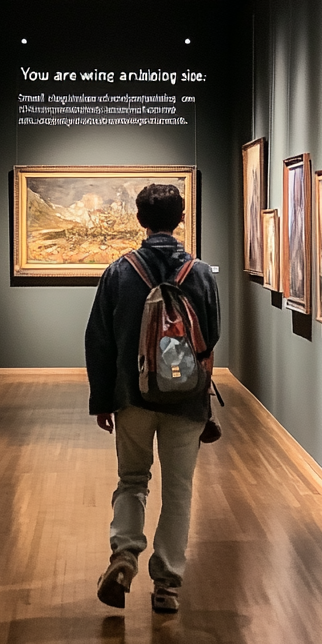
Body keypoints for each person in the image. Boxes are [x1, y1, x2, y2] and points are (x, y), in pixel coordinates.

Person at [85, 183, 220, 614]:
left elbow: (99, 340)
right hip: (186, 401)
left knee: (132, 480)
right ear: (181, 219)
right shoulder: (199, 274)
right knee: (179, 490)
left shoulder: (119, 272)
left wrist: (102, 400)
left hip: (131, 397)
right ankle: (167, 584)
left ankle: (124, 554)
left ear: (140, 220)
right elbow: (211, 334)